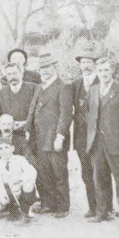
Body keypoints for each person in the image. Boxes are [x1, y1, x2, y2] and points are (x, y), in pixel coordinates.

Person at [86, 57, 119, 226]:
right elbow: (90, 114)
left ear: (112, 72)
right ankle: (102, 212)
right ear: (97, 72)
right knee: (99, 178)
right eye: (100, 70)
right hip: (97, 143)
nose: (103, 74)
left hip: (117, 143)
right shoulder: (93, 90)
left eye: (106, 70)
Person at [25, 52, 74, 218]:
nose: (44, 71)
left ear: (55, 67)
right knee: (44, 173)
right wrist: (27, 130)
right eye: (41, 68)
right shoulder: (40, 87)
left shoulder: (63, 87)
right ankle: (48, 204)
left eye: (47, 67)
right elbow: (32, 110)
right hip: (39, 138)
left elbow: (65, 114)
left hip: (54, 139)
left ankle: (62, 206)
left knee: (59, 173)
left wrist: (60, 136)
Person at [70, 50, 100, 219]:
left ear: (94, 64)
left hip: (99, 136)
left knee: (101, 172)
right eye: (83, 62)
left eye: (89, 62)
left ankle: (106, 207)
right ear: (80, 65)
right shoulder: (76, 85)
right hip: (81, 137)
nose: (86, 65)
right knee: (86, 173)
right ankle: (93, 207)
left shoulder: (101, 80)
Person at [0, 137, 37, 224]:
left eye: (6, 147)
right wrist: (1, 195)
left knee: (28, 185)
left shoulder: (20, 159)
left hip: (21, 189)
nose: (4, 151)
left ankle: (26, 209)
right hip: (9, 191)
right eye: (1, 149)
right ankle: (13, 208)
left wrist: (20, 181)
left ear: (12, 148)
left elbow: (31, 172)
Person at [0, 62, 38, 145]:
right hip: (10, 135)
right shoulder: (1, 93)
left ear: (21, 73)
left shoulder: (34, 88)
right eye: (9, 74)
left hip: (31, 133)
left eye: (15, 73)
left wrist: (26, 123)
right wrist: (7, 125)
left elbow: (39, 112)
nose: (12, 77)